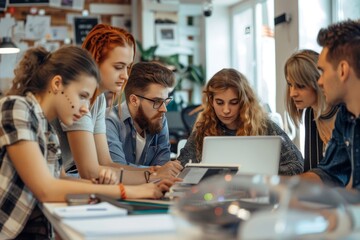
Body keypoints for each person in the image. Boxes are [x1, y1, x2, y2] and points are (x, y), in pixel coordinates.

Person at [0, 46, 170, 239]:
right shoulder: (16, 107)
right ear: (57, 84)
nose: (84, 109)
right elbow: (46, 189)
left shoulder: (46, 128)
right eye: (82, 96)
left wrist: (101, 185)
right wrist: (128, 191)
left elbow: (60, 179)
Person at [51, 24, 181, 185]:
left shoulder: (98, 99)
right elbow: (89, 171)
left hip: (70, 178)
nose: (125, 76)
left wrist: (154, 171)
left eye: (128, 67)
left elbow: (106, 163)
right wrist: (152, 177)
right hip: (63, 179)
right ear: (95, 61)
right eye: (118, 67)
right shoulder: (77, 96)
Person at [177, 68, 304, 175]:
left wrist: (257, 174)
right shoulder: (204, 127)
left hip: (255, 192)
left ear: (244, 102)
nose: (226, 110)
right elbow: (183, 166)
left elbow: (298, 165)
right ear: (211, 101)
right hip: (213, 195)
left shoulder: (264, 126)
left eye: (234, 102)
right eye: (219, 103)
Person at [301, 19, 360, 190]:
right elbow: (330, 173)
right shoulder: (346, 116)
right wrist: (279, 185)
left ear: (342, 70)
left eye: (322, 71)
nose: (319, 81)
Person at [106, 62, 182, 171]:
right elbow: (118, 171)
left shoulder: (159, 119)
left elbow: (163, 170)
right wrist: (156, 172)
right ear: (134, 100)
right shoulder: (109, 121)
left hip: (150, 187)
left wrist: (159, 173)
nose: (164, 109)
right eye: (157, 101)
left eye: (166, 101)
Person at [284, 49, 338, 172]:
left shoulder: (344, 112)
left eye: (301, 86)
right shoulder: (310, 113)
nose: (292, 94)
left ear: (318, 82)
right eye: (290, 84)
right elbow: (313, 167)